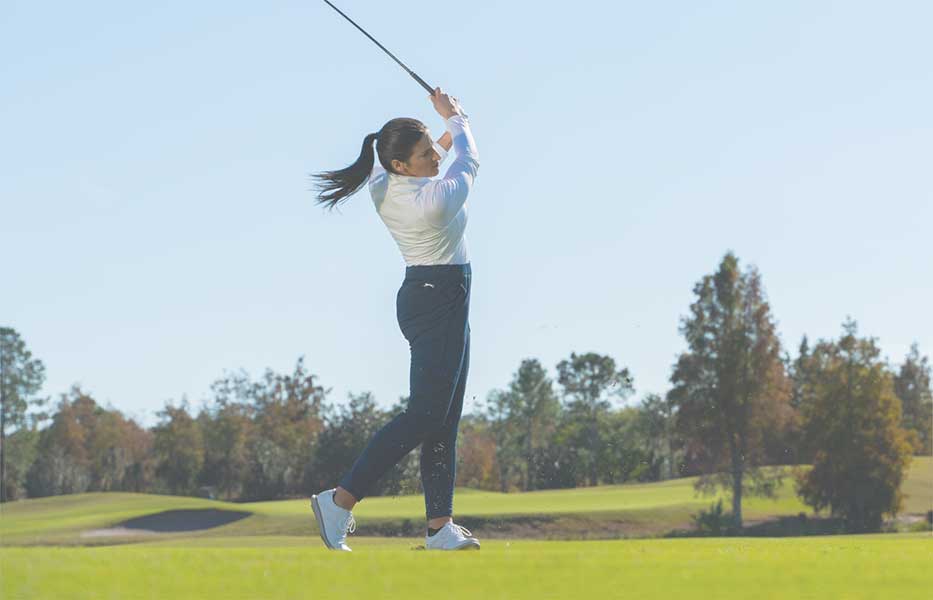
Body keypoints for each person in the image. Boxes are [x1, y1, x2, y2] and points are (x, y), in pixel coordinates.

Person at [308, 87, 480, 551]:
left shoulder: (386, 183)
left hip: (439, 296)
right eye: (425, 154)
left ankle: (439, 527)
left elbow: (443, 156)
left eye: (431, 150)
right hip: (437, 297)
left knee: (442, 420)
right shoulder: (433, 201)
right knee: (425, 416)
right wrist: (458, 121)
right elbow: (468, 163)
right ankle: (338, 502)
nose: (435, 158)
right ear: (401, 165)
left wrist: (443, 130)